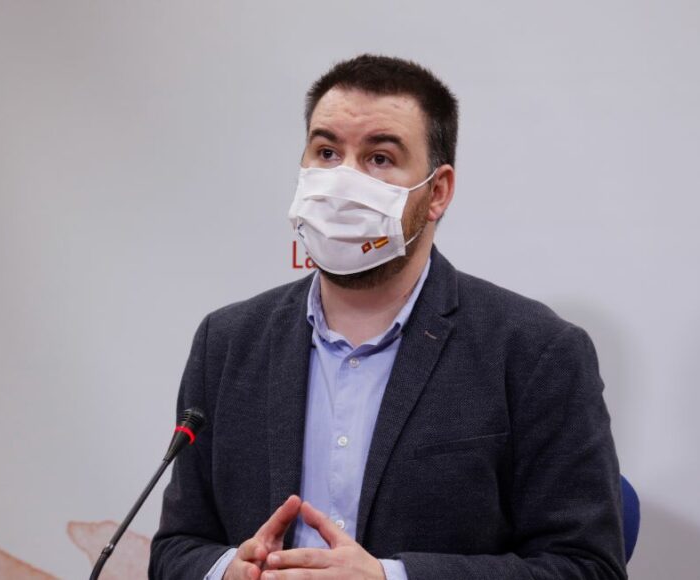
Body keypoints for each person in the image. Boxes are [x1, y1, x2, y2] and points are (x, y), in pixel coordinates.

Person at [148, 55, 626, 580]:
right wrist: (227, 572)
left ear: (437, 192)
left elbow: (587, 567)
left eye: (379, 158)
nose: (343, 182)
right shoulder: (227, 342)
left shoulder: (536, 351)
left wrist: (391, 578)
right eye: (327, 152)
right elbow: (176, 549)